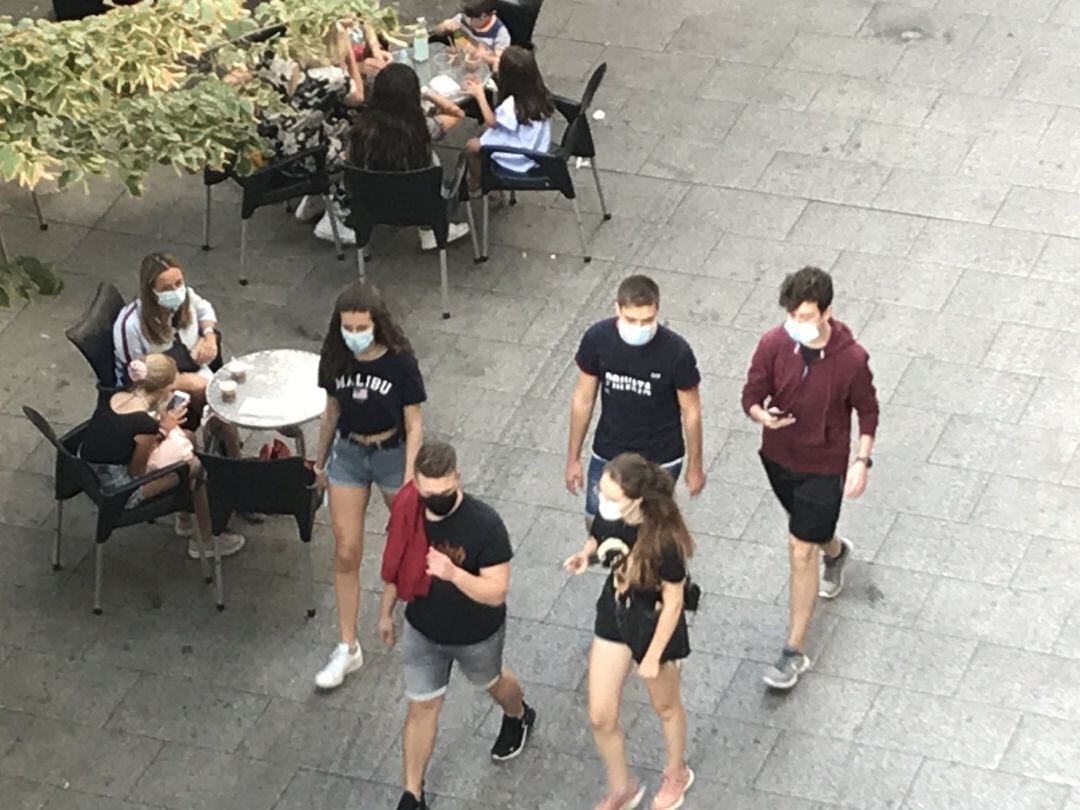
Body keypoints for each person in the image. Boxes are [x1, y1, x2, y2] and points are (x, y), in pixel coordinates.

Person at [377, 441, 536, 810]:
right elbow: (396, 562)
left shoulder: (485, 525)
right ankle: (412, 794)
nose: (437, 500)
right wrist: (385, 612)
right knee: (422, 707)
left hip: (475, 635)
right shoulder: (407, 509)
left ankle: (518, 713)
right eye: (428, 493)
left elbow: (496, 592)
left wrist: (453, 574)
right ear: (415, 483)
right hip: (423, 628)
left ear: (458, 478)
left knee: (493, 682)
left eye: (445, 492)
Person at [741, 266, 878, 690]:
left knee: (800, 548)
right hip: (779, 458)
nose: (797, 325)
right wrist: (762, 415)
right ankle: (835, 550)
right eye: (792, 316)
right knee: (812, 533)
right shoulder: (773, 344)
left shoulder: (851, 360)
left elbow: (868, 410)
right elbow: (751, 394)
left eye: (805, 317)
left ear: (826, 312)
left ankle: (793, 651)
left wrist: (861, 460)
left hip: (823, 465)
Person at [312, 282, 426, 690]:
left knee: (411, 540)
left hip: (392, 452)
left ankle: (420, 610)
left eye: (361, 326)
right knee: (346, 548)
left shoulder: (399, 363)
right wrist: (319, 461)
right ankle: (347, 645)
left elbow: (414, 423)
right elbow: (331, 411)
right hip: (349, 454)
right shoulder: (336, 357)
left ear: (377, 324)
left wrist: (411, 477)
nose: (353, 333)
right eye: (347, 326)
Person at [564, 454, 695, 810]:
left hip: (652, 621)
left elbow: (673, 602)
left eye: (611, 497)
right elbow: (599, 540)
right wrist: (585, 556)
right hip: (615, 610)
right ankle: (621, 787)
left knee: (665, 705)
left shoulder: (664, 542)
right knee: (600, 714)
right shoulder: (610, 518)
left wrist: (652, 657)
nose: (602, 502)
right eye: (601, 493)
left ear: (638, 500)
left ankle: (676, 769)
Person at [566, 274, 706, 526]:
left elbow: (691, 411)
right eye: (631, 320)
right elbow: (583, 399)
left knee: (647, 529)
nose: (639, 328)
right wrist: (573, 458)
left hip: (659, 457)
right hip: (610, 449)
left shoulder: (676, 353)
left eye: (647, 320)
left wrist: (695, 466)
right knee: (596, 522)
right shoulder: (598, 340)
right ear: (617, 308)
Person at [80, 353, 245, 558]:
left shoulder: (115, 397)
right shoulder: (143, 424)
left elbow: (126, 439)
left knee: (187, 436)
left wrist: (161, 427)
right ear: (164, 388)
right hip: (118, 491)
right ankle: (206, 540)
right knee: (194, 468)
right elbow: (137, 471)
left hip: (88, 470)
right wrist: (163, 430)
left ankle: (185, 519)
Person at [113, 253, 242, 477]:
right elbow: (136, 378)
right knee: (207, 394)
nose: (176, 291)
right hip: (157, 388)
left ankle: (235, 466)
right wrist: (183, 382)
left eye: (178, 283)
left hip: (193, 368)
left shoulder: (187, 298)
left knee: (223, 406)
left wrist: (208, 335)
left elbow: (205, 309)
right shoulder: (130, 326)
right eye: (166, 287)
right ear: (150, 291)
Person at [342, 62, 470, 250]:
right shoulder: (423, 129)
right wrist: (429, 94)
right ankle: (428, 230)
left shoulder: (359, 130)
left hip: (370, 205)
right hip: (420, 205)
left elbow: (348, 157)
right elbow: (458, 113)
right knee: (432, 162)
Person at [464, 44, 553, 190]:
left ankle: (478, 181)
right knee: (484, 131)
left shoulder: (511, 105)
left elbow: (492, 122)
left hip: (520, 157)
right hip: (537, 146)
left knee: (471, 146)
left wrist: (479, 95)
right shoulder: (537, 90)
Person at [434, 0, 511, 70]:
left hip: (480, 70)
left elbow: (499, 62)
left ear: (483, 17)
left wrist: (483, 56)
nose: (465, 18)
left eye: (469, 18)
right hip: (458, 63)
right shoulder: (464, 17)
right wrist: (444, 26)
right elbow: (437, 32)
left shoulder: (500, 34)